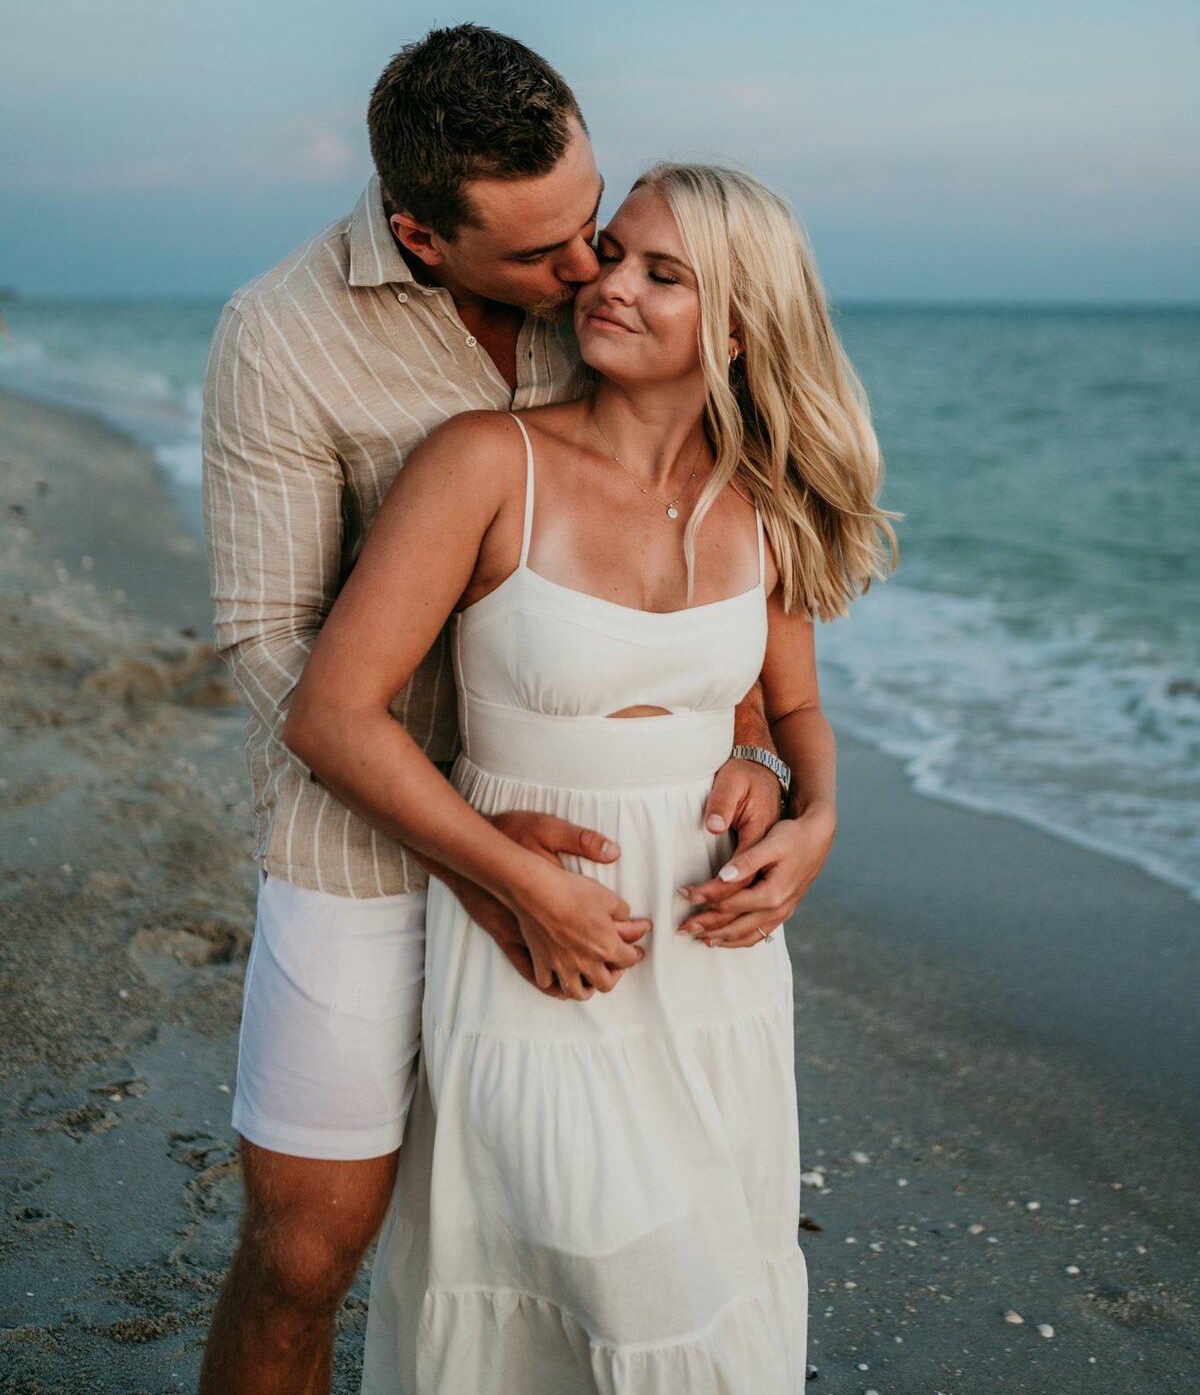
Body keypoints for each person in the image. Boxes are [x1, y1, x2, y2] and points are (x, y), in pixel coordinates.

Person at [198, 28, 790, 1395]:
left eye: (591, 222)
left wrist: (754, 737)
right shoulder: (281, 336)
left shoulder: (604, 297)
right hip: (359, 850)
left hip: (589, 851)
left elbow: (702, 533)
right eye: (540, 256)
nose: (585, 272)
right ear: (417, 232)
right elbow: (265, 643)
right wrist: (478, 839)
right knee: (304, 1252)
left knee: (583, 1254)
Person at [285, 163, 898, 1392]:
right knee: (594, 1290)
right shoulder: (482, 463)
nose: (606, 283)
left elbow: (791, 705)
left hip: (716, 963)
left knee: (714, 1279)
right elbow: (330, 716)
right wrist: (516, 882)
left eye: (661, 275)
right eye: (613, 253)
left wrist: (812, 809)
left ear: (735, 327)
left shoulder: (762, 501)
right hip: (535, 954)